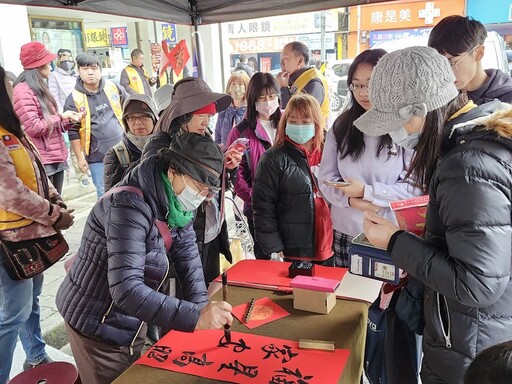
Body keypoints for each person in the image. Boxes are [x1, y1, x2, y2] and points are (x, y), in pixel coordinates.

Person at [356, 46, 512, 383]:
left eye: (396, 122)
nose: (395, 135)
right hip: (474, 331)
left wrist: (394, 240)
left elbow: (477, 284)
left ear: (420, 110)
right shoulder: (472, 146)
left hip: (470, 343)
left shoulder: (468, 166)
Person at [56, 133, 233, 384]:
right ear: (173, 171)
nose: (203, 195)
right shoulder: (128, 206)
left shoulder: (174, 201)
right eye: (199, 185)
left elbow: (186, 253)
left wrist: (200, 304)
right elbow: (127, 290)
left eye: (209, 190)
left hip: (125, 317)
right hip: (96, 321)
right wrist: (194, 317)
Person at [0, 64, 75, 383]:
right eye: (8, 84)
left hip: (31, 236)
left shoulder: (12, 131)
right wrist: (55, 214)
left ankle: (35, 354)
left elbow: (38, 175)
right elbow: (10, 193)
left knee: (31, 302)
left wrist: (55, 199)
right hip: (10, 240)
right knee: (12, 313)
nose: (15, 91)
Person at [317, 49, 421, 268]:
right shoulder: (342, 126)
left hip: (390, 234)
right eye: (357, 85)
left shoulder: (406, 125)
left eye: (371, 83)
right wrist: (349, 200)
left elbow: (416, 187)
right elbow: (326, 177)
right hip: (346, 231)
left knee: (386, 300)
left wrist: (369, 193)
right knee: (348, 299)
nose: (363, 92)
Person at [147, 77, 242, 284]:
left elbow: (212, 184)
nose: (206, 121)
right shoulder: (160, 146)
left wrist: (228, 169)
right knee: (186, 297)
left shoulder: (203, 137)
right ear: (182, 114)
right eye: (201, 115)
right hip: (180, 242)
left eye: (208, 115)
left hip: (209, 233)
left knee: (207, 291)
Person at [252, 93, 331, 262]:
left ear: (316, 123)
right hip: (293, 249)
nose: (299, 126)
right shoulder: (273, 158)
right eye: (293, 121)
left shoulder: (331, 153)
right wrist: (273, 247)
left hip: (331, 245)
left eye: (305, 121)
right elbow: (263, 208)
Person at [13, 42, 82, 195]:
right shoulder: (22, 91)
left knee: (57, 204)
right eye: (46, 64)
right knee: (49, 205)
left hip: (55, 156)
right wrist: (60, 116)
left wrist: (69, 120)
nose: (50, 68)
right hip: (42, 159)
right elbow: (34, 127)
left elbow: (52, 124)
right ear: (37, 66)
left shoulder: (39, 87)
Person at [226, 72, 282, 260]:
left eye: (272, 97)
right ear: (252, 100)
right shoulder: (240, 132)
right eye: (262, 98)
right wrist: (256, 201)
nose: (268, 102)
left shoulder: (289, 124)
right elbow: (236, 173)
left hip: (291, 208)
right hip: (258, 211)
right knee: (265, 263)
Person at [64, 52, 126, 199]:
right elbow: (73, 131)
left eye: (94, 67)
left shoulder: (113, 88)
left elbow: (129, 110)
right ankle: (107, 221)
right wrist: (80, 158)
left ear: (100, 69)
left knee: (129, 186)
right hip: (96, 157)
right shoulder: (73, 98)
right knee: (104, 193)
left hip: (123, 149)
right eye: (85, 68)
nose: (90, 72)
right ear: (78, 71)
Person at [428, 15, 512, 104]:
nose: (444, 73)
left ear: (479, 53)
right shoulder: (440, 100)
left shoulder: (508, 100)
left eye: (451, 62)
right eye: (438, 64)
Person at [48, 48, 91, 188]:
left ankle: (86, 167)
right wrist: (63, 115)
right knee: (74, 142)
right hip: (67, 115)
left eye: (69, 56)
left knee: (85, 140)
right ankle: (81, 174)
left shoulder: (75, 74)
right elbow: (54, 97)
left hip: (82, 112)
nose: (67, 59)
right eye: (63, 56)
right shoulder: (54, 76)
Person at [103, 93, 158, 191]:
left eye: (144, 116)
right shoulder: (117, 154)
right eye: (131, 117)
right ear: (126, 122)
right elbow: (111, 196)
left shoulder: (167, 146)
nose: (137, 122)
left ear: (154, 119)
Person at [277, 41, 330, 124]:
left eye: (285, 59)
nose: (281, 64)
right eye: (281, 60)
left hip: (313, 134)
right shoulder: (297, 79)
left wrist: (284, 89)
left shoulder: (313, 82)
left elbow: (295, 117)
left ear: (299, 61)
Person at [215, 70, 250, 149]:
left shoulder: (251, 109)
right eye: (233, 84)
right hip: (225, 153)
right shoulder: (224, 108)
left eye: (240, 84)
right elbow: (218, 133)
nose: (236, 87)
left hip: (245, 153)